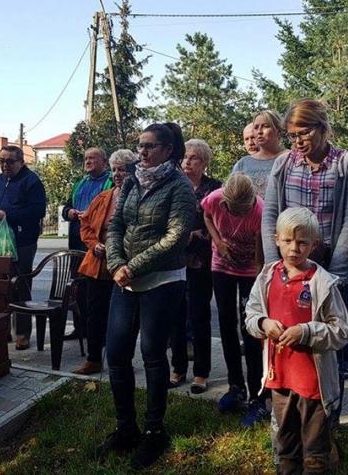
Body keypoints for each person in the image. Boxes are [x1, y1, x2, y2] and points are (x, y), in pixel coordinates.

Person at [262, 98, 348, 421]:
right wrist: (274, 267)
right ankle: (289, 418)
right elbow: (270, 216)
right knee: (291, 341)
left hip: (333, 270)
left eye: (303, 133)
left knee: (332, 352)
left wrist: (331, 277)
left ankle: (327, 422)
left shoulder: (347, 164)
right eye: (292, 135)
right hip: (291, 268)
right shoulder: (284, 163)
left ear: (322, 128)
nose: (297, 141)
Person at [98, 123, 194, 470]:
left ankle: (154, 432)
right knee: (117, 353)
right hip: (124, 278)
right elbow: (115, 225)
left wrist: (133, 266)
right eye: (140, 145)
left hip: (162, 280)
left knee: (153, 354)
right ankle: (126, 429)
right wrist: (116, 263)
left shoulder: (180, 185)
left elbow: (176, 236)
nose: (142, 151)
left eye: (150, 146)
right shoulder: (131, 182)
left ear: (168, 150)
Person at [245, 208, 348, 474]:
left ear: (314, 245)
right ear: (276, 239)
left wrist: (305, 332)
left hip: (313, 385)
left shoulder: (322, 282)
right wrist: (263, 323)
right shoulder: (267, 277)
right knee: (286, 445)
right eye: (288, 240)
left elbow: (341, 331)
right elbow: (251, 315)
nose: (294, 248)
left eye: (302, 242)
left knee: (315, 451)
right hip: (279, 380)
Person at [203, 172, 265, 424]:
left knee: (251, 331)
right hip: (222, 267)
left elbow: (260, 258)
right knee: (227, 326)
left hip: (250, 270)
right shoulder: (214, 198)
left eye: (242, 211)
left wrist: (259, 282)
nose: (237, 215)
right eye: (232, 210)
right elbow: (207, 215)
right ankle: (235, 387)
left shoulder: (260, 211)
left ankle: (257, 397)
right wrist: (218, 242)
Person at [73, 148, 137, 375]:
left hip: (125, 266)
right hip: (98, 266)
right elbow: (85, 225)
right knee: (95, 314)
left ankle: (123, 361)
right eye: (114, 170)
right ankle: (93, 359)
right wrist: (94, 244)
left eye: (123, 170)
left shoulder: (139, 198)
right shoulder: (103, 197)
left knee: (125, 319)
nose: (117, 174)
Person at [0, 145, 47, 350]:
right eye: (1, 161)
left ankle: (22, 333)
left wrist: (8, 215)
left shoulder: (31, 181)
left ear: (21, 162)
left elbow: (38, 211)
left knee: (20, 286)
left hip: (22, 241)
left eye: (10, 161)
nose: (5, 165)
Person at [168, 139, 222, 393]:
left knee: (199, 316)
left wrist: (195, 235)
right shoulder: (173, 184)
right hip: (174, 260)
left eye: (194, 158)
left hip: (202, 261)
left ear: (204, 162)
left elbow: (220, 224)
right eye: (185, 157)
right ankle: (178, 368)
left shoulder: (215, 188)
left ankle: (201, 372)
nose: (187, 162)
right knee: (175, 315)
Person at [61, 147, 113, 342]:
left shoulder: (110, 182)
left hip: (96, 245)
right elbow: (66, 207)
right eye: (86, 159)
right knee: (78, 289)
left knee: (98, 293)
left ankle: (100, 333)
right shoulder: (79, 183)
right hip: (76, 242)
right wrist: (69, 212)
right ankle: (79, 328)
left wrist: (90, 215)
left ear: (104, 163)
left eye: (92, 158)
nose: (88, 162)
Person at [233, 110, 285, 199]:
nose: (259, 131)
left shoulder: (291, 158)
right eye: (256, 127)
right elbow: (232, 196)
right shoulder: (243, 164)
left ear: (278, 131)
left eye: (265, 126)